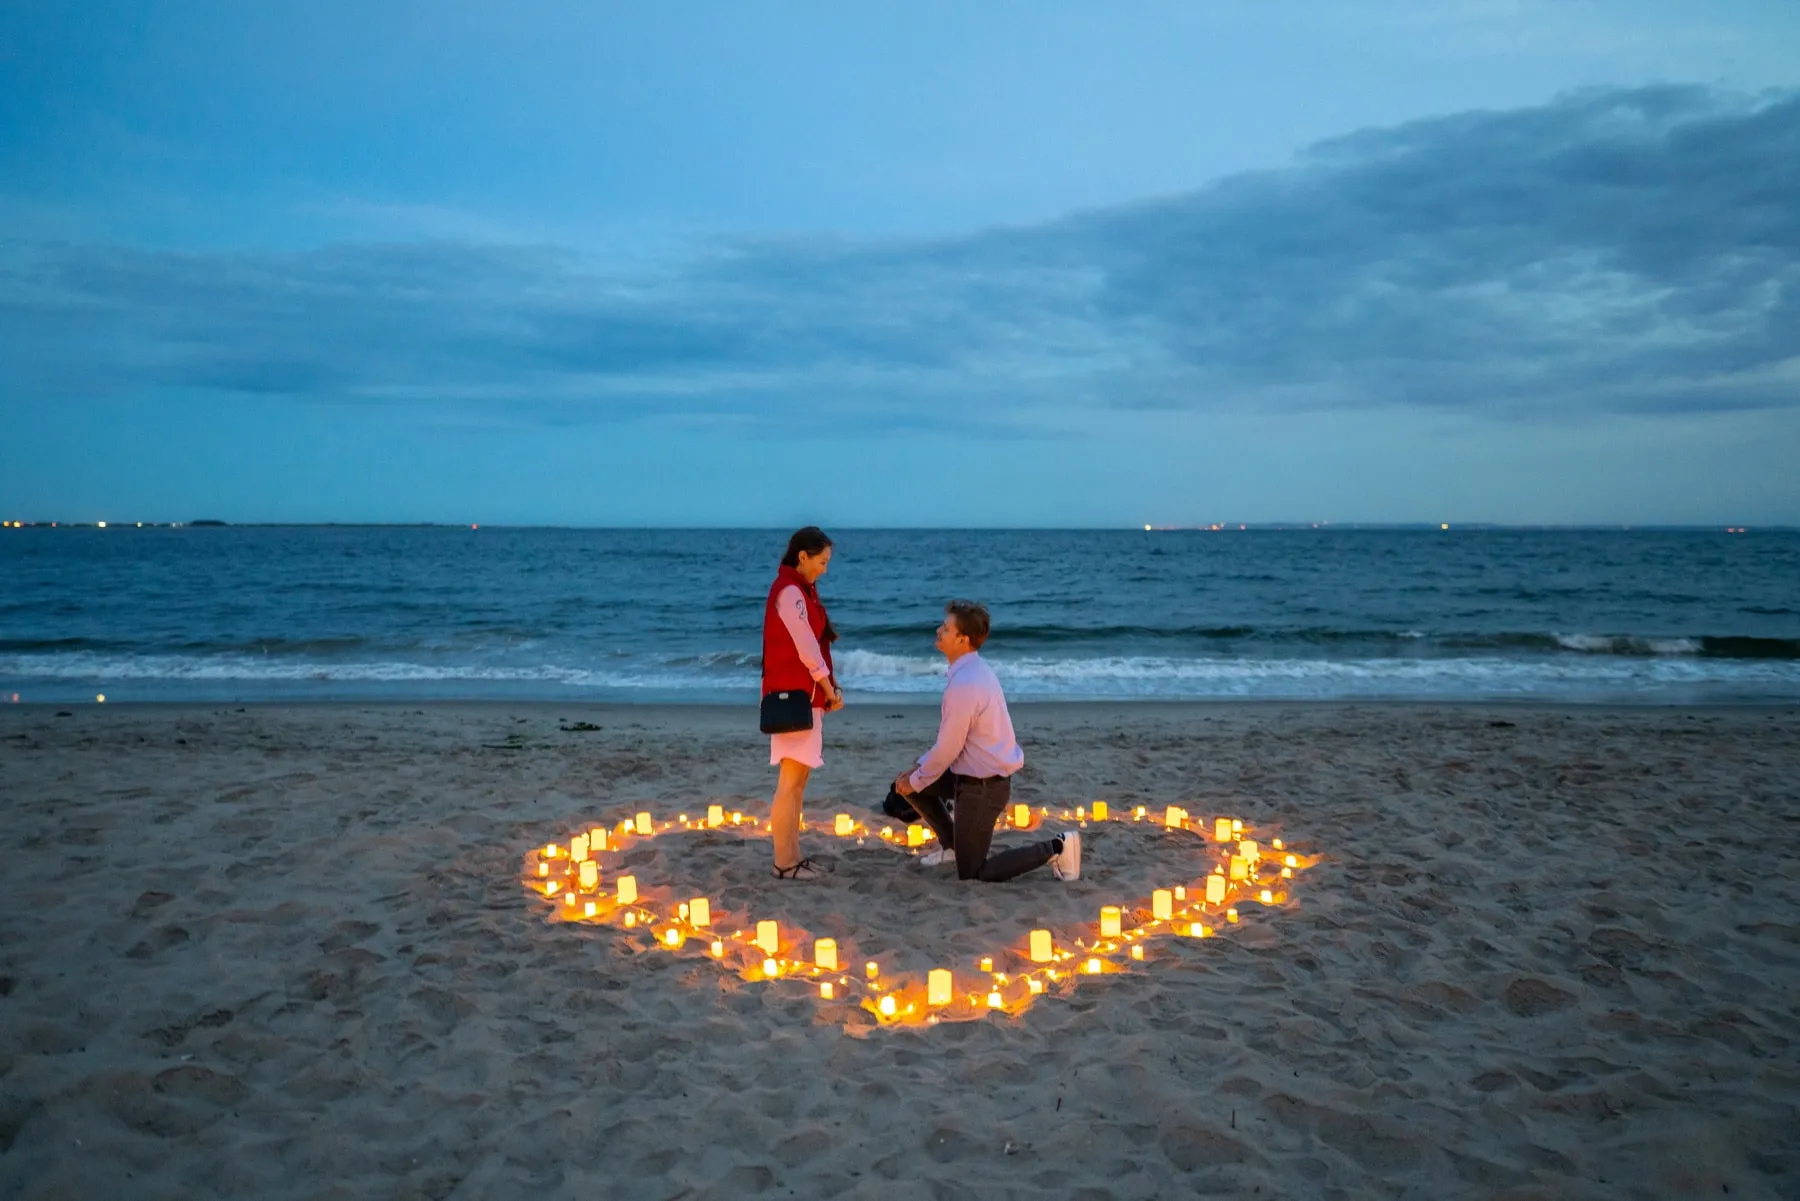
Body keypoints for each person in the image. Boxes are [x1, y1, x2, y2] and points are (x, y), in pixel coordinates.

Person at [892, 600, 1080, 883]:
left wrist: (916, 778)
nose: (939, 630)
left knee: (973, 872)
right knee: (910, 784)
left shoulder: (966, 683)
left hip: (983, 787)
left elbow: (948, 748)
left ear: (963, 639)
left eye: (946, 628)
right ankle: (953, 846)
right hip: (965, 775)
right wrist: (916, 772)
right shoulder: (970, 671)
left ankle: (1057, 847)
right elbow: (948, 747)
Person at [762, 526, 844, 880]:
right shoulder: (790, 592)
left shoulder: (800, 591)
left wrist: (828, 689)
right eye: (821, 562)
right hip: (795, 699)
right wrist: (828, 688)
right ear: (802, 557)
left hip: (803, 697)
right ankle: (784, 862)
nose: (824, 569)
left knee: (798, 783)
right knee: (790, 783)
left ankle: (792, 856)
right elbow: (806, 646)